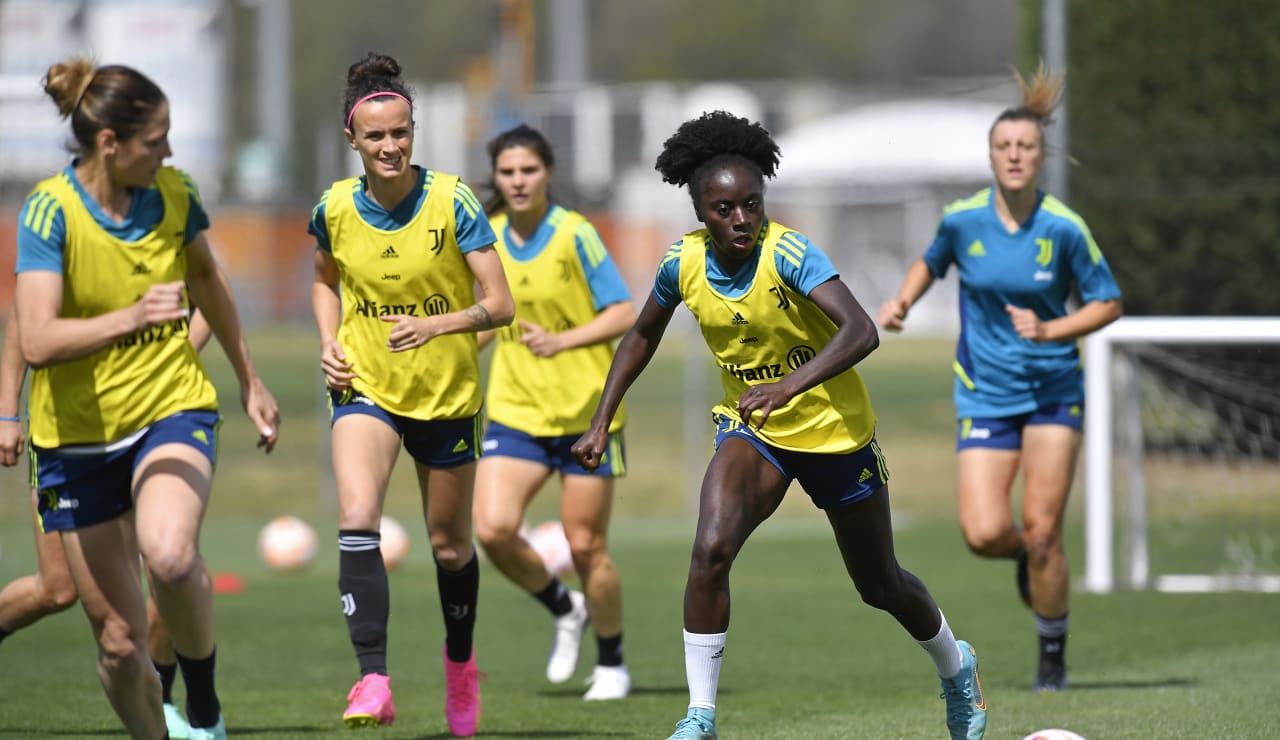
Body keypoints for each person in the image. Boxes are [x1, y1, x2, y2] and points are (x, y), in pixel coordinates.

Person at [571, 110, 987, 740]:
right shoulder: (681, 263)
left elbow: (861, 330)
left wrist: (788, 385)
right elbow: (641, 335)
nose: (741, 219)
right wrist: (602, 418)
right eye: (724, 209)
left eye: (751, 204)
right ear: (700, 211)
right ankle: (701, 715)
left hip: (835, 432)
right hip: (756, 433)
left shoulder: (789, 252)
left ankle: (957, 670)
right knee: (710, 548)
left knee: (880, 585)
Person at [14, 58, 280, 740]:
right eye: (155, 139)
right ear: (109, 144)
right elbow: (37, 338)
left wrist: (250, 379)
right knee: (118, 643)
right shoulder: (50, 213)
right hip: (73, 441)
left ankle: (206, 706)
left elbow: (208, 282)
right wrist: (130, 317)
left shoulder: (175, 193)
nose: (168, 151)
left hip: (170, 409)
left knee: (168, 555)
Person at [876, 65, 1123, 693]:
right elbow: (929, 263)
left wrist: (1053, 331)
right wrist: (900, 303)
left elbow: (1107, 302)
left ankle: (1052, 656)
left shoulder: (1064, 227)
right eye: (1004, 147)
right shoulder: (963, 221)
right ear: (991, 156)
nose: (1015, 156)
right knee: (985, 532)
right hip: (985, 391)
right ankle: (1023, 560)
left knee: (1045, 531)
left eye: (1026, 148)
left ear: (1042, 157)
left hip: (1052, 393)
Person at [309, 52, 514, 737]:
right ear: (352, 139)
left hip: (447, 395)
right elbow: (323, 280)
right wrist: (328, 342)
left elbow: (501, 303)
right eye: (376, 137)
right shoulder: (334, 208)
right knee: (358, 512)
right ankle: (372, 678)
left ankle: (460, 668)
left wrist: (437, 324)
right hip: (366, 389)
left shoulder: (452, 201)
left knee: (449, 547)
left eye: (401, 133)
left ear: (412, 131)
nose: (390, 146)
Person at [471, 124, 636, 700]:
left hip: (586, 418)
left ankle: (613, 663)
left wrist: (563, 342)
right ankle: (565, 608)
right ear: (495, 177)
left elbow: (623, 312)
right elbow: (490, 319)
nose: (518, 181)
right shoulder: (485, 236)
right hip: (516, 413)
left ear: (548, 174)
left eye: (529, 170)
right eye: (508, 172)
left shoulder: (576, 234)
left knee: (585, 545)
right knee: (491, 529)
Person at [0, 309, 213, 740]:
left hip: (153, 421)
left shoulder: (166, 240)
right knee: (57, 590)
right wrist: (7, 412)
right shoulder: (56, 244)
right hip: (70, 432)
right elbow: (27, 317)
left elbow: (209, 290)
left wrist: (171, 360)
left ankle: (168, 701)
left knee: (168, 561)